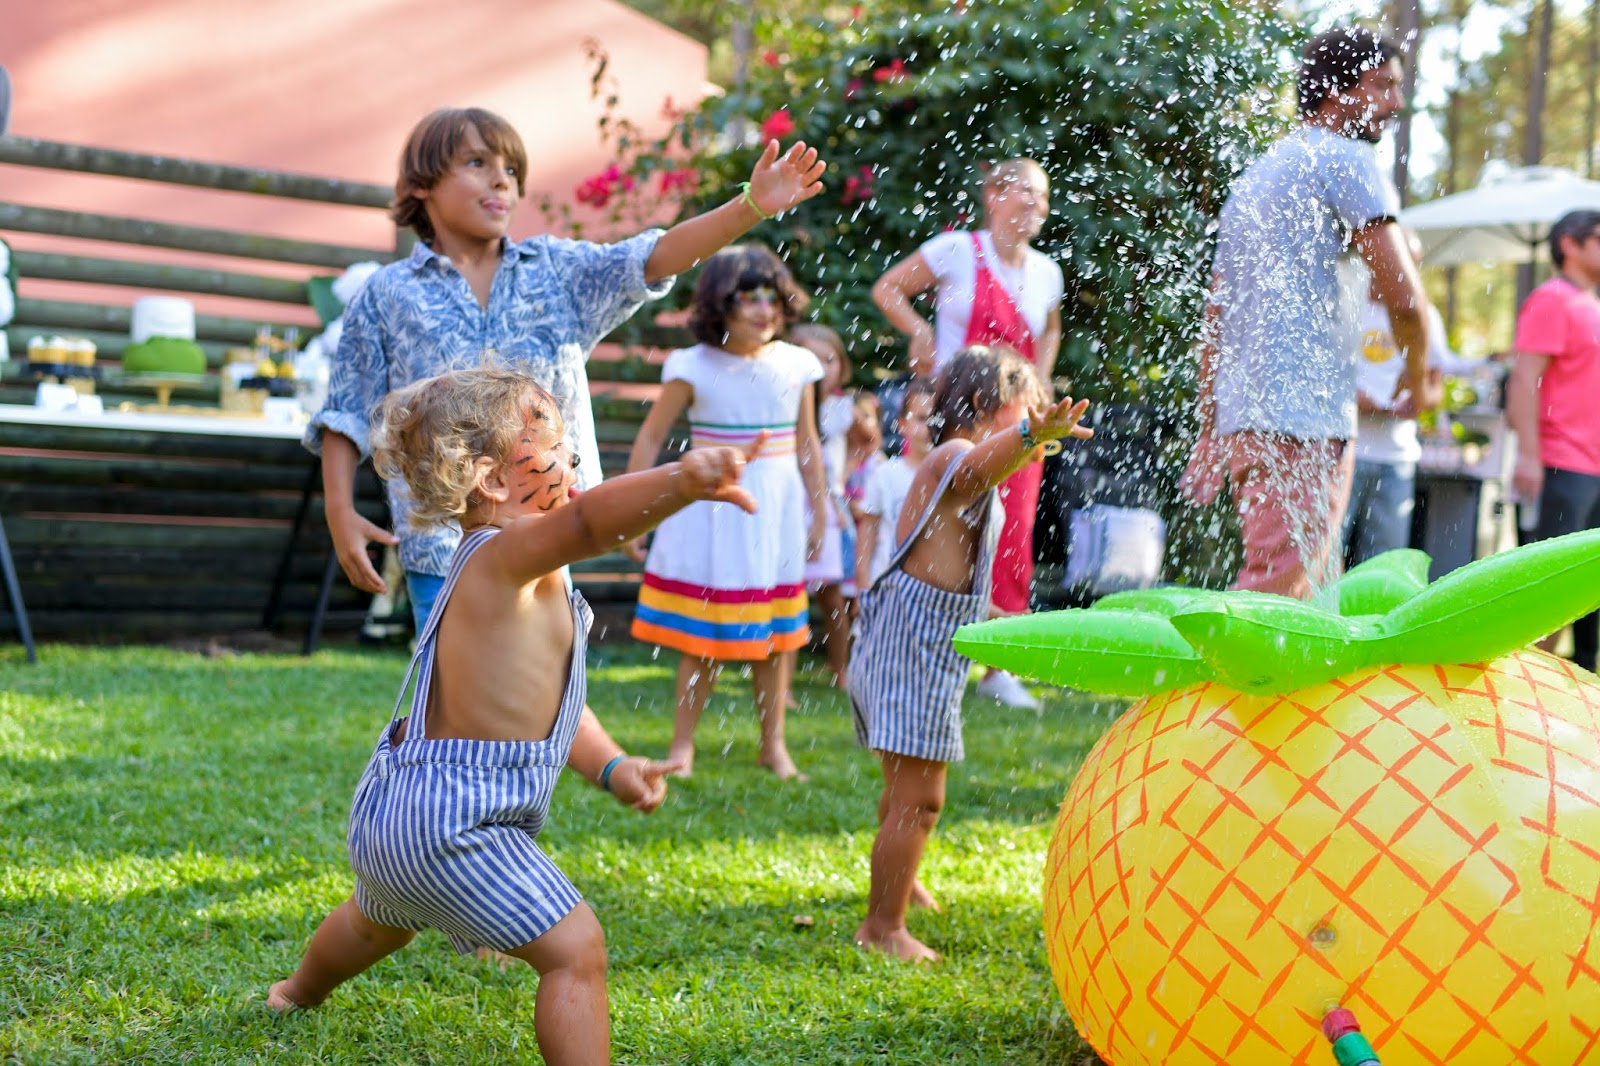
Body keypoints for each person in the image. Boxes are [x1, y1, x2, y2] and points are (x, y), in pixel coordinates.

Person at [268, 367, 766, 1065]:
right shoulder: (504, 559)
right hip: (456, 825)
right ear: (492, 481)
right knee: (576, 950)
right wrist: (682, 480)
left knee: (375, 925)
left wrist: (612, 767)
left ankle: (295, 992)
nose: (573, 459)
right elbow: (588, 523)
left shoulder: (505, 573)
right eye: (554, 446)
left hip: (397, 818)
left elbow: (555, 708)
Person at [308, 106, 825, 631]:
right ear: (422, 184)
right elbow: (346, 410)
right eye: (477, 162)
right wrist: (340, 512)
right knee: (456, 679)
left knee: (545, 675)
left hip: (551, 535)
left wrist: (750, 206)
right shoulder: (388, 294)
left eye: (512, 169)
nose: (501, 180)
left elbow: (654, 257)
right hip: (442, 551)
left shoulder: (557, 271)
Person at [848, 346, 1093, 963]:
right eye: (1026, 412)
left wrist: (1001, 620)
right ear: (985, 405)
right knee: (921, 799)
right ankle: (883, 927)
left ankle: (898, 875)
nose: (1037, 432)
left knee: (902, 791)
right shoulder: (954, 457)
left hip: (907, 639)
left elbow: (941, 576)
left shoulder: (955, 467)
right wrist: (1032, 435)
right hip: (913, 651)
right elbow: (975, 470)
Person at [1180, 28, 1431, 600]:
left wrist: (1211, 425)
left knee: (1308, 590)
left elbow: (1216, 315)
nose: (1396, 102)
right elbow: (1405, 298)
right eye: (1383, 86)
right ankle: (1215, 666)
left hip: (1254, 416)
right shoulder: (1346, 158)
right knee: (1282, 594)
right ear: (1338, 91)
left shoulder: (1260, 174)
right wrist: (1419, 383)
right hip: (1303, 419)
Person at [625, 246, 828, 781]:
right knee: (703, 637)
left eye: (772, 297)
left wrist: (821, 510)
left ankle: (773, 745)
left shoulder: (796, 364)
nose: (765, 309)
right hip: (712, 512)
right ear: (719, 303)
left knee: (776, 637)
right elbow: (651, 438)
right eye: (748, 297)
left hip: (776, 511)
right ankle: (682, 747)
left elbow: (807, 443)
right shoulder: (691, 366)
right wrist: (634, 514)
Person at [872, 160, 1064, 710]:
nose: (1037, 205)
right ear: (994, 195)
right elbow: (888, 289)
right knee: (947, 527)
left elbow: (1050, 330)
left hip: (1018, 421)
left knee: (1013, 534)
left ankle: (1001, 667)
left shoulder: (1048, 272)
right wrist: (918, 331)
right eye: (1027, 192)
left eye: (1044, 196)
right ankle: (927, 642)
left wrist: (1041, 380)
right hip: (958, 417)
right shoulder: (957, 250)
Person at [1506, 208, 1600, 671]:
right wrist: (1528, 455)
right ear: (1570, 244)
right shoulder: (1552, 299)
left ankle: (1583, 690)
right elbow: (1524, 380)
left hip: (1595, 468)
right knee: (1552, 591)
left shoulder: (1591, 304)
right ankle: (1527, 690)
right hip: (1563, 464)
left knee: (1590, 588)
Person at [1343, 230, 1450, 565]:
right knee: (1326, 558)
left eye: (1412, 265)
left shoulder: (1426, 315)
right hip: (1344, 450)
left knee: (1384, 564)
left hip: (1397, 457)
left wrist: (1419, 400)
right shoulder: (1345, 304)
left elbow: (1435, 388)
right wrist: (1352, 399)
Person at [789, 322, 856, 686]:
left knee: (833, 597)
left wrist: (844, 482)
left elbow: (864, 442)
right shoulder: (789, 404)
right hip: (794, 504)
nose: (821, 369)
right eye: (812, 359)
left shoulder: (842, 409)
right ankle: (781, 678)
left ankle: (841, 669)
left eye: (829, 360)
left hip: (827, 509)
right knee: (790, 595)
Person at [856, 377, 936, 590]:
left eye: (936, 418)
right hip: (886, 588)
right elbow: (868, 531)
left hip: (929, 592)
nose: (929, 426)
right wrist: (862, 586)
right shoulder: (885, 474)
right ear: (902, 424)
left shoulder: (951, 477)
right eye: (921, 418)